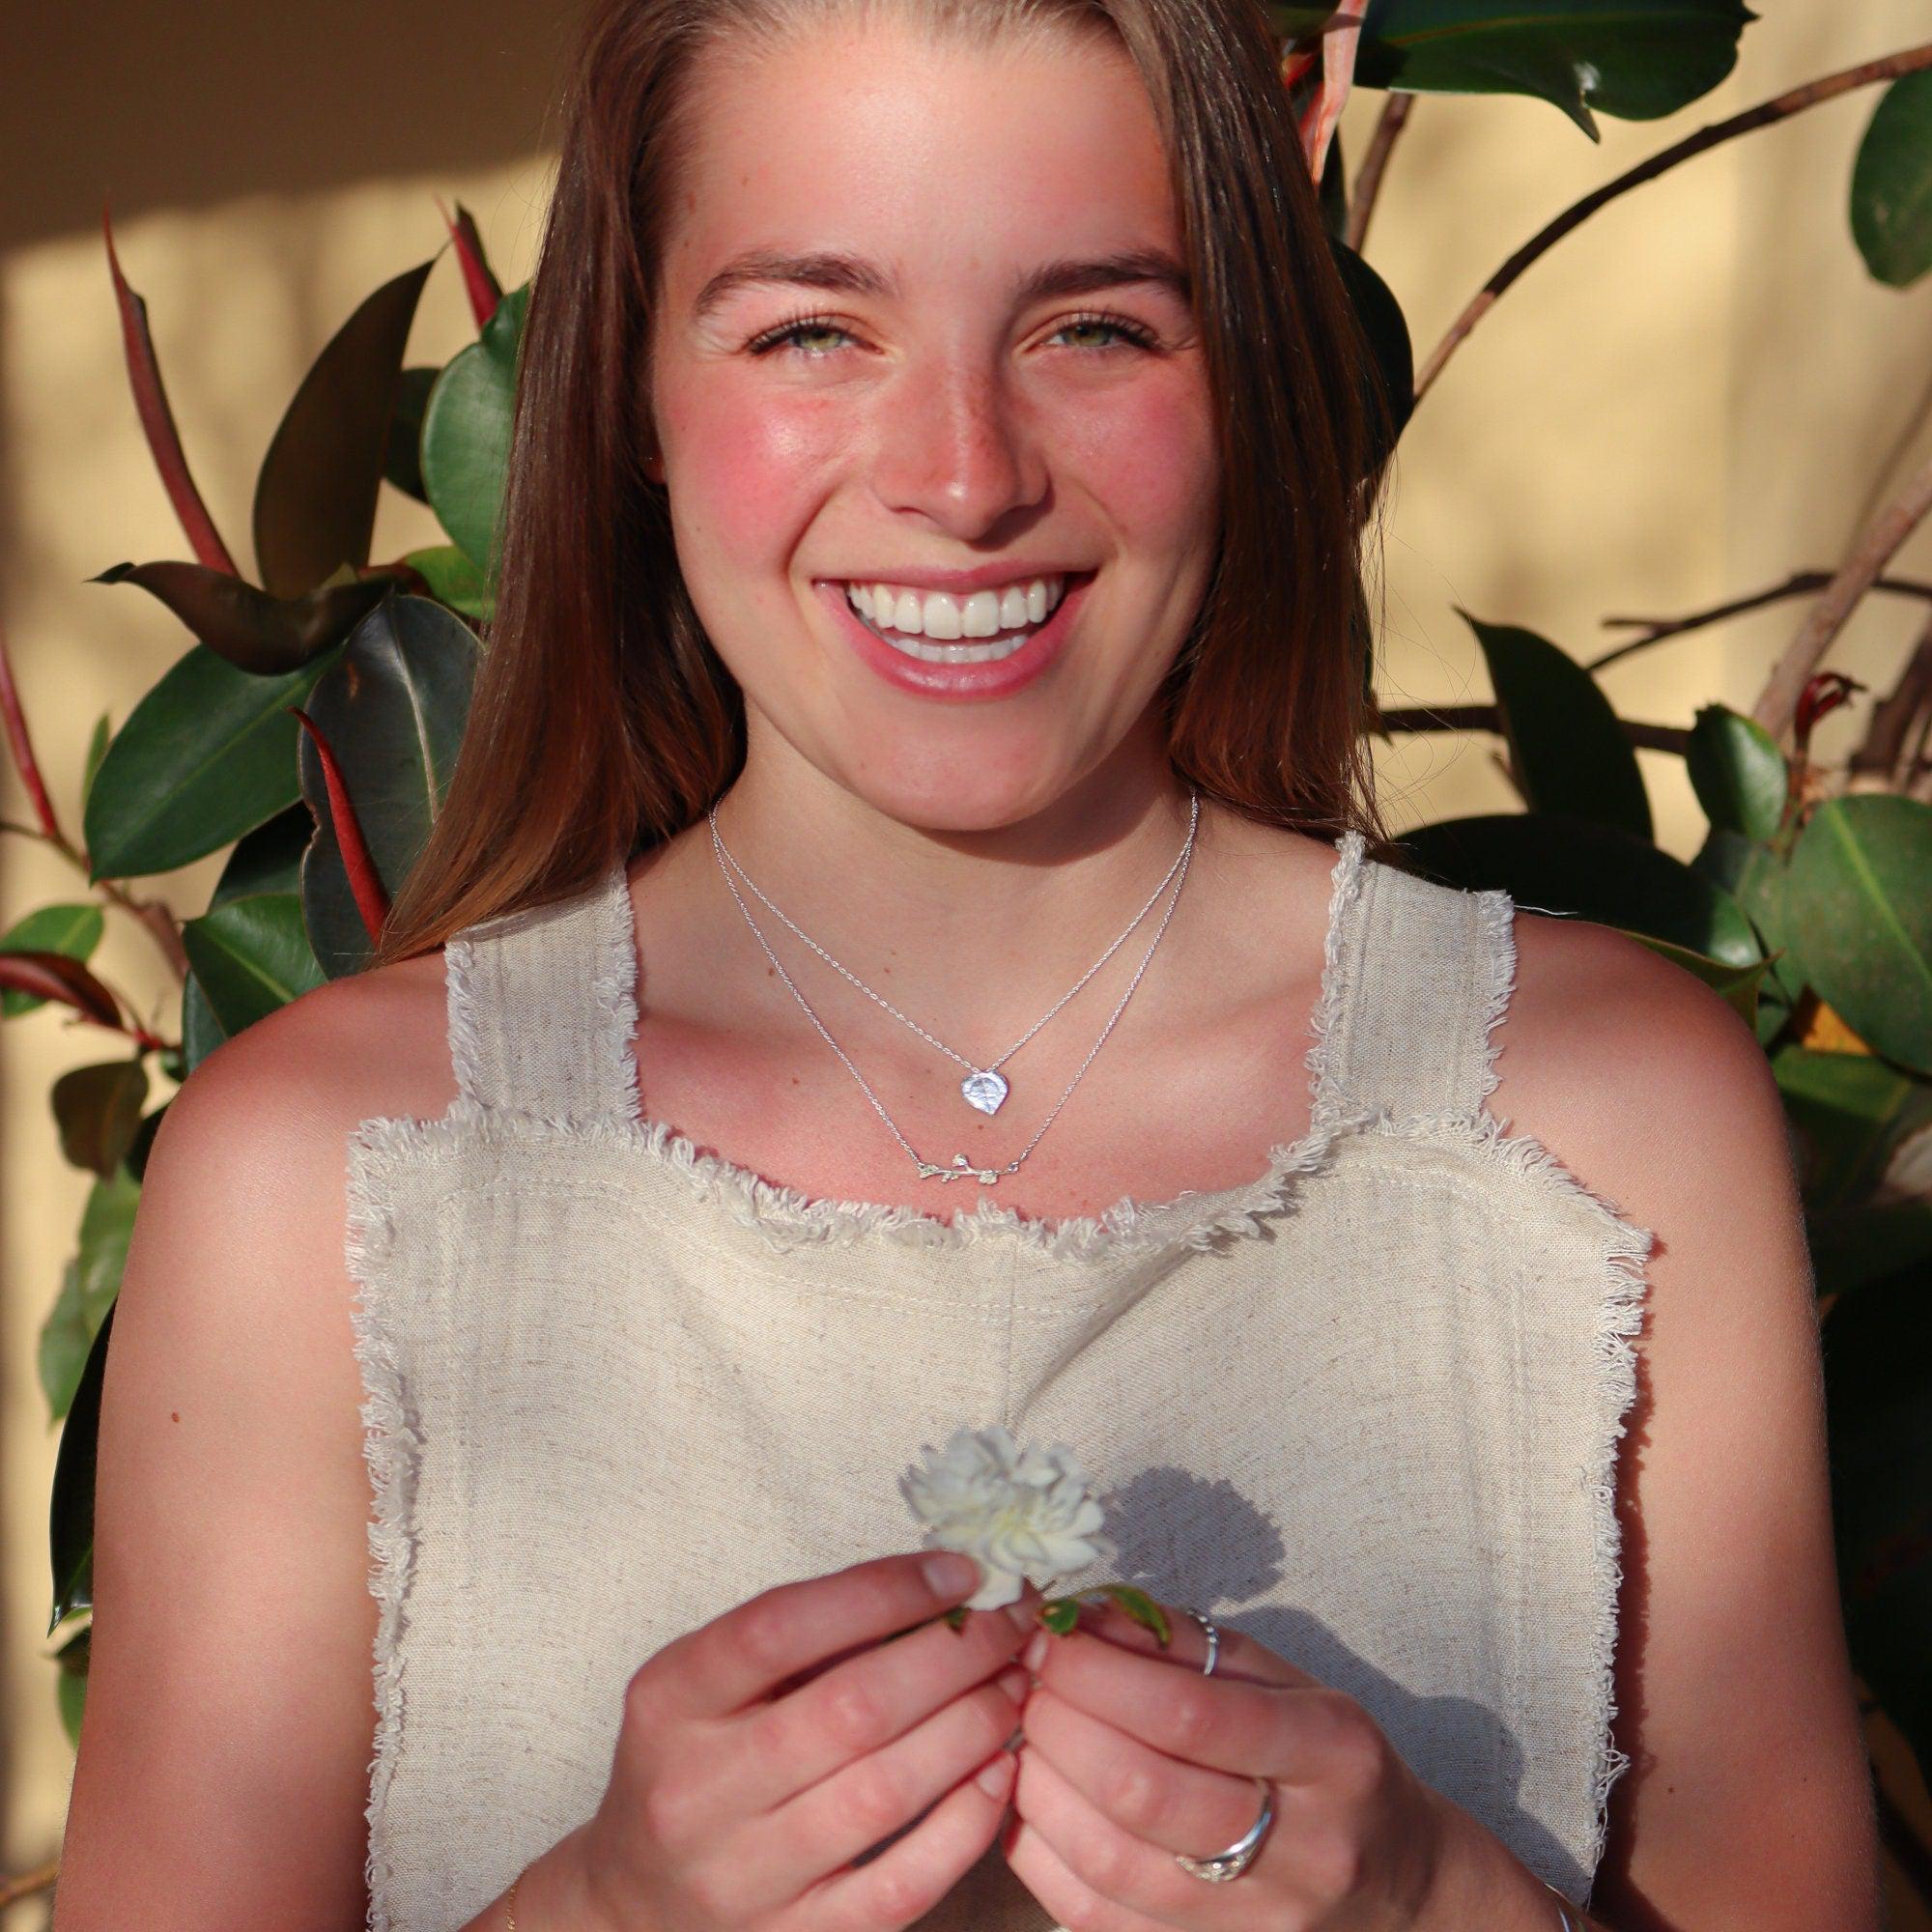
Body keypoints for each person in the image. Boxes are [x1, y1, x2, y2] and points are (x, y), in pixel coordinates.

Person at [57, 0, 1880, 1928]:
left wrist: (1434, 1900)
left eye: (1094, 326)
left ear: (1249, 374)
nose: (962, 472)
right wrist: (601, 1909)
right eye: (809, 332)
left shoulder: (1595, 1122)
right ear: (622, 404)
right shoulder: (319, 1175)